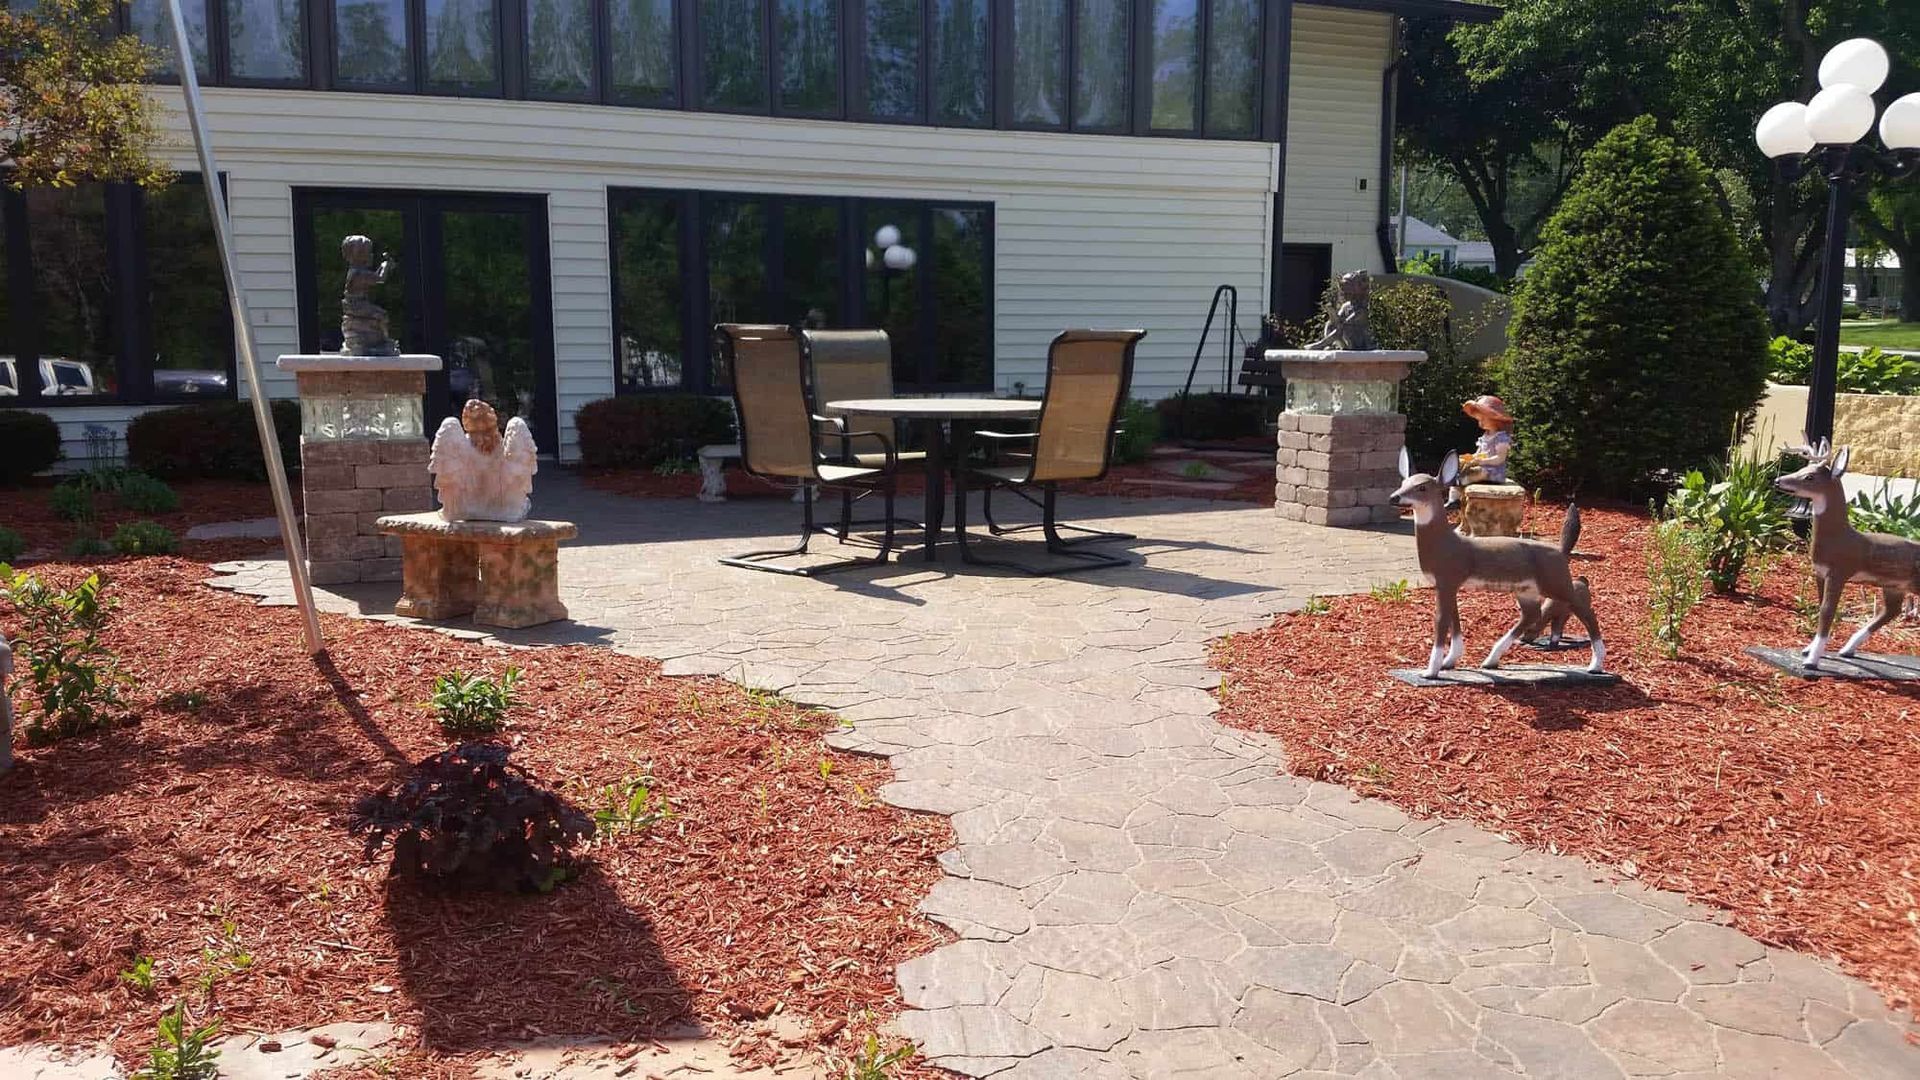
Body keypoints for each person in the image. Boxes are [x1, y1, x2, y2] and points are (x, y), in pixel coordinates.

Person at [1455, 395, 1514, 496]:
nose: (1480, 424)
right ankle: (1454, 497)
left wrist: (1481, 461)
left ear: (1494, 419)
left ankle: (1463, 482)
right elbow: (1479, 453)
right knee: (1459, 467)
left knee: (1479, 472)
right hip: (1481, 467)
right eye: (1478, 420)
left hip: (1493, 471)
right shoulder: (1485, 436)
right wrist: (1470, 458)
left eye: (1482, 420)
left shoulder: (1501, 437)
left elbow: (1500, 458)